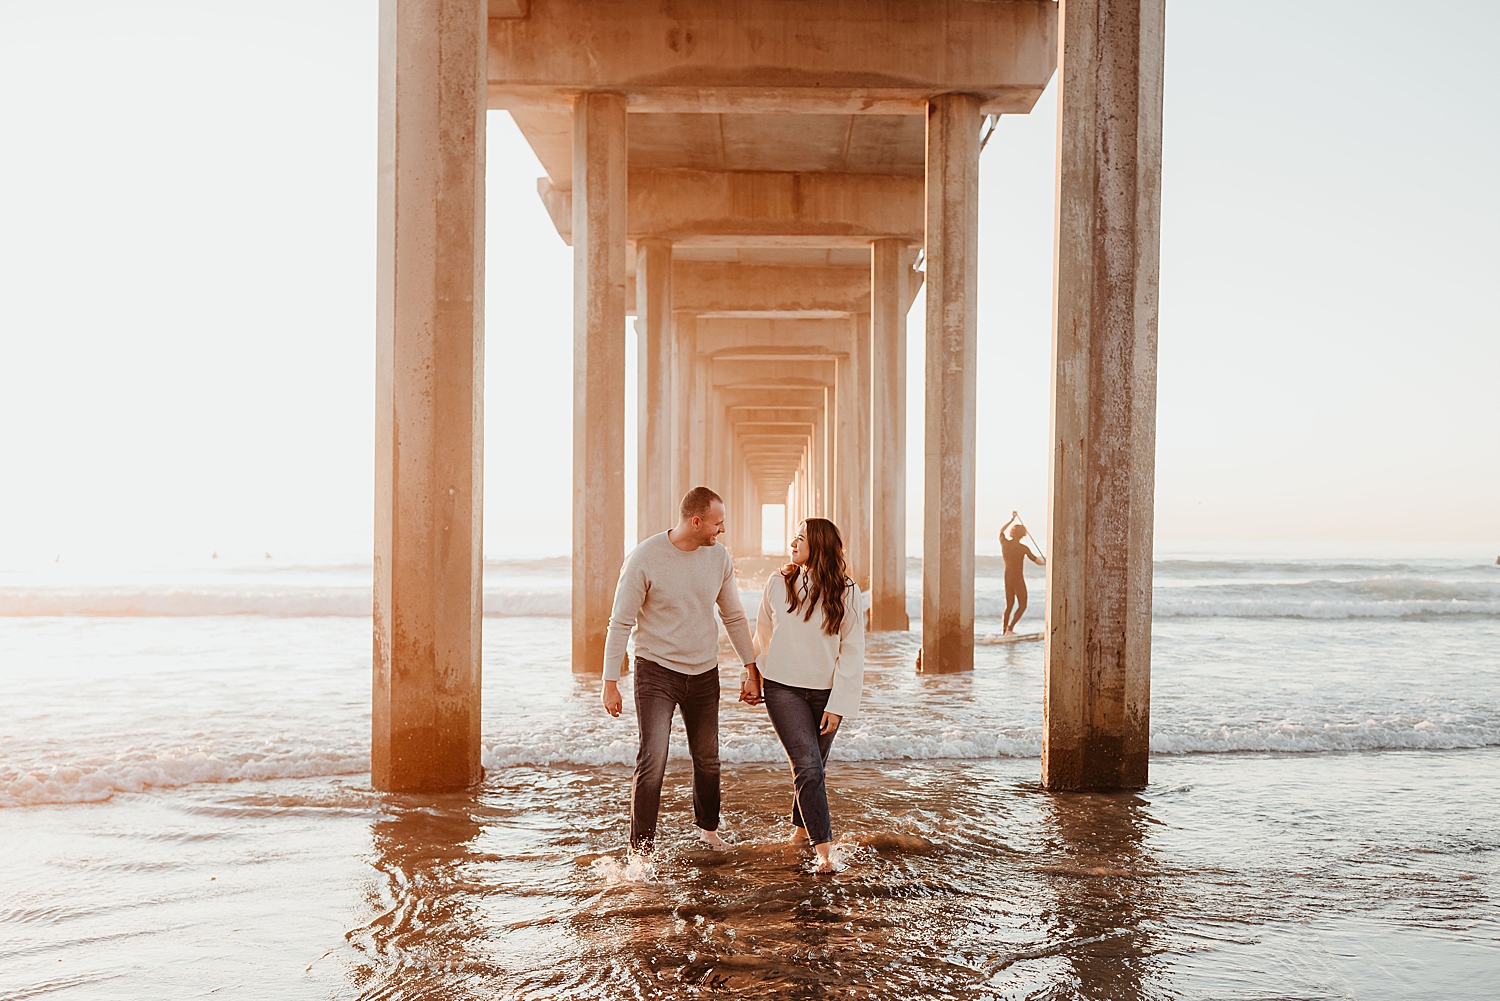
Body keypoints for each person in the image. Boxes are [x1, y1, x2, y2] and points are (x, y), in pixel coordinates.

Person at [601, 486, 758, 854]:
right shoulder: (645, 557)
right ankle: (641, 851)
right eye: (718, 523)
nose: (723, 530)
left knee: (708, 758)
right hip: (656, 671)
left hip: (704, 672)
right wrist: (610, 682)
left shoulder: (719, 558)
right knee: (653, 759)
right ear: (696, 521)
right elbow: (620, 621)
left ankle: (708, 829)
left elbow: (733, 615)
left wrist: (751, 667)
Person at [740, 518, 864, 874]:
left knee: (815, 768)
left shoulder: (847, 590)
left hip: (826, 694)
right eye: (793, 537)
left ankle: (799, 831)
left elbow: (852, 650)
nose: (792, 543)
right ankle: (824, 850)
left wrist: (838, 706)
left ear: (820, 546)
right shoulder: (778, 582)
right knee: (807, 766)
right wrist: (751, 677)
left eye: (801, 538)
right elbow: (761, 634)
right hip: (782, 688)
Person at [999, 511, 1045, 634]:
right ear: (1023, 535)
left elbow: (1001, 531)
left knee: (1009, 606)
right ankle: (1010, 628)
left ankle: (1005, 631)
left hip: (1007, 578)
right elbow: (1037, 561)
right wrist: (1048, 562)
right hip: (1018, 578)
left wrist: (1011, 520)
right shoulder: (1023, 548)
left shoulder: (1004, 544)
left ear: (1012, 533)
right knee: (1022, 605)